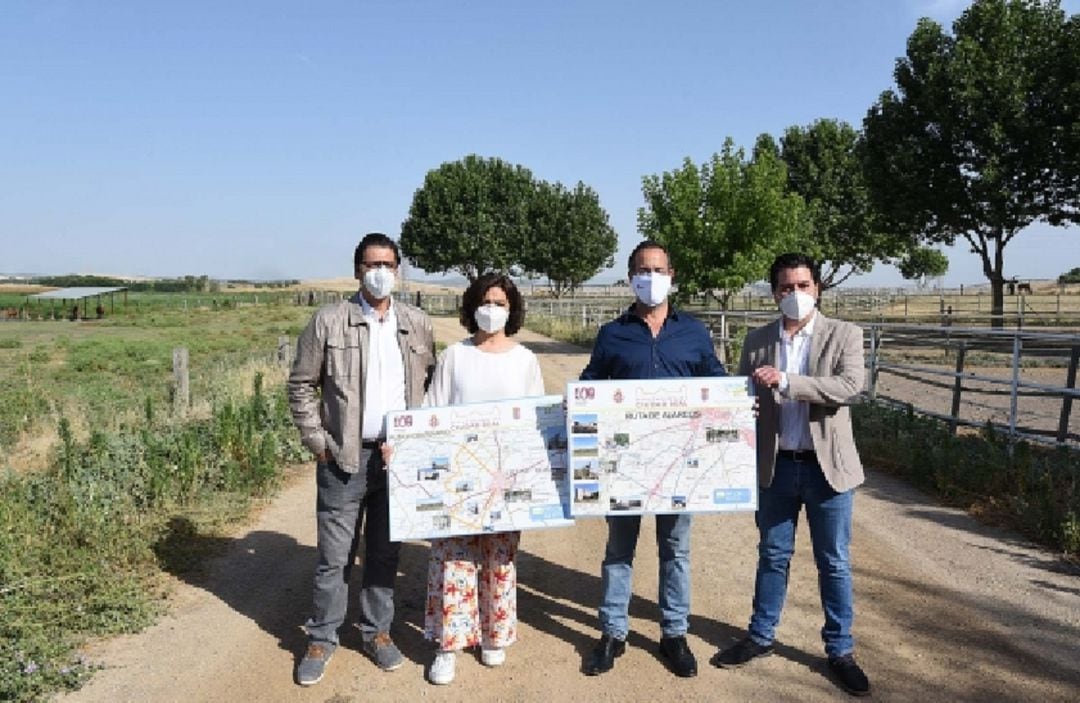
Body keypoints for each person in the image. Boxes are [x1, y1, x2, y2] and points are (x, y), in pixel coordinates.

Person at [712, 253, 870, 697]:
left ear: (817, 288)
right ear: (774, 292)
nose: (794, 294)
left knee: (833, 561)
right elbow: (742, 395)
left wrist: (787, 382)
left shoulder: (845, 334)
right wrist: (744, 408)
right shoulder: (758, 339)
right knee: (772, 555)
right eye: (785, 287)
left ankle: (840, 650)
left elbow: (849, 387)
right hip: (777, 466)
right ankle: (761, 636)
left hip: (827, 470)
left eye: (803, 285)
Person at [287, 232, 435, 686]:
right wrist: (319, 443)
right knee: (335, 556)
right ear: (357, 270)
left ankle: (377, 632)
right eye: (372, 264)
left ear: (399, 269)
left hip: (398, 459)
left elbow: (431, 389)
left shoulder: (417, 323)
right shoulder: (329, 321)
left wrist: (420, 443)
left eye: (388, 264)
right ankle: (322, 637)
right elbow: (300, 386)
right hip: (343, 459)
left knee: (385, 553)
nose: (380, 272)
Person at [579, 240, 727, 679]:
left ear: (672, 275)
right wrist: (577, 404)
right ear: (631, 277)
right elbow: (591, 382)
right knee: (618, 550)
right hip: (624, 469)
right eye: (643, 270)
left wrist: (737, 408)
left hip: (680, 467)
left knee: (676, 549)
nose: (652, 278)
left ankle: (674, 633)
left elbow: (717, 384)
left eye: (659, 270)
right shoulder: (613, 333)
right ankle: (612, 632)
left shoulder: (695, 333)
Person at [421, 272, 545, 685]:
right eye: (485, 301)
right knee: (453, 560)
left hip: (505, 481)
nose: (492, 310)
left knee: (500, 558)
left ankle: (494, 635)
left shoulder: (525, 360)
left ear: (511, 311)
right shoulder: (455, 356)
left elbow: (538, 421)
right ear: (472, 305)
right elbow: (432, 410)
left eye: (500, 303)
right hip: (458, 476)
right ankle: (449, 644)